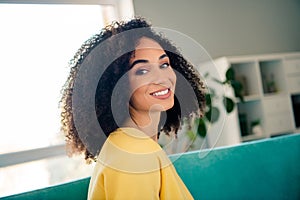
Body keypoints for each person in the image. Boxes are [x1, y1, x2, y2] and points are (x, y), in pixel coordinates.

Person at [60, 17, 205, 199]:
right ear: (115, 86)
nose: (162, 78)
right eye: (142, 70)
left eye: (164, 64)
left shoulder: (130, 145)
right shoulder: (134, 154)